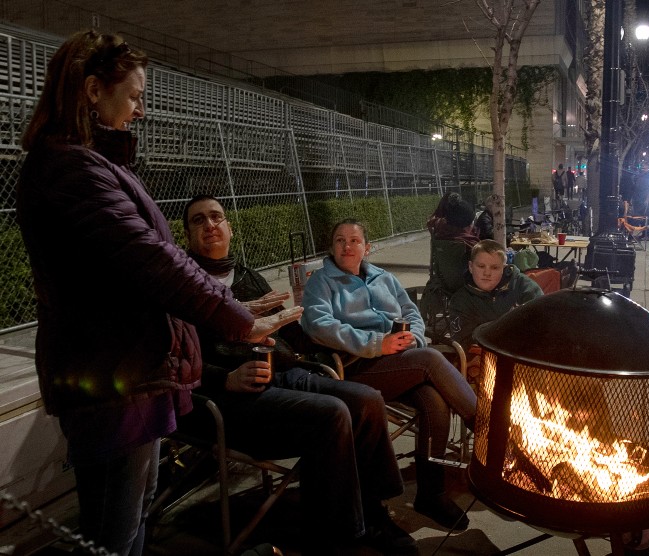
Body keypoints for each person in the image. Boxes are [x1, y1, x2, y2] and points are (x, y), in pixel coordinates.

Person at [14, 31, 288, 556]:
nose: (140, 110)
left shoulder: (88, 163)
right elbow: (152, 260)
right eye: (135, 95)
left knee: (131, 515)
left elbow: (156, 259)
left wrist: (230, 304)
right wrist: (238, 321)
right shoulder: (74, 168)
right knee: (115, 531)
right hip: (117, 379)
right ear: (93, 91)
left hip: (128, 370)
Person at [181, 195, 414, 554]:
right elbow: (177, 356)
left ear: (228, 227)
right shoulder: (185, 287)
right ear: (187, 236)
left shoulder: (247, 276)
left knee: (366, 400)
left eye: (216, 217)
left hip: (288, 373)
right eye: (199, 221)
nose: (210, 225)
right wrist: (223, 379)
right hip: (234, 396)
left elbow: (293, 333)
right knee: (332, 414)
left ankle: (373, 510)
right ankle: (342, 535)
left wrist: (314, 330)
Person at [301, 218, 478, 531]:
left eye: (354, 240)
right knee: (429, 360)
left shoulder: (383, 278)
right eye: (340, 240)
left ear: (367, 248)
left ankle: (431, 494)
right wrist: (375, 344)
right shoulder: (321, 282)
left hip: (399, 361)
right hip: (353, 367)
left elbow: (411, 312)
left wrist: (415, 337)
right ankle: (489, 431)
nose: (346, 246)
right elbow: (319, 326)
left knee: (433, 401)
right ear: (332, 247)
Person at [448, 240, 543, 347]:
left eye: (494, 268)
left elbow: (541, 326)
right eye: (481, 266)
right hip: (484, 358)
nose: (487, 273)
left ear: (504, 268)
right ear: (471, 267)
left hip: (522, 354)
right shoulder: (460, 300)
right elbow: (463, 342)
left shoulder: (524, 287)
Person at [632, 164, 649, 240]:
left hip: (648, 201)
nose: (642, 168)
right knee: (641, 217)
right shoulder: (640, 175)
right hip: (640, 200)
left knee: (648, 217)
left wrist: (647, 199)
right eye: (641, 167)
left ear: (647, 167)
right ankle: (643, 233)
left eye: (644, 167)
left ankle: (648, 234)